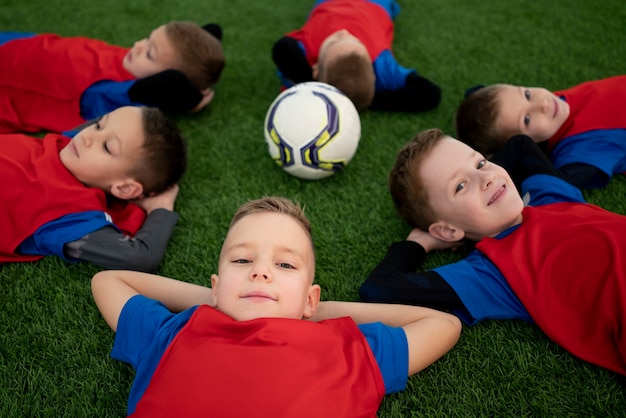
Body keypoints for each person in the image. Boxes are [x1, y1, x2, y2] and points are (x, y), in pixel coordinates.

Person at [91, 196, 461, 417]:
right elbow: (108, 280)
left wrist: (314, 310)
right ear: (215, 287)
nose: (261, 272)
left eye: (285, 265)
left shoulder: (348, 352)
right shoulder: (173, 334)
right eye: (242, 261)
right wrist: (220, 300)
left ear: (310, 298)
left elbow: (442, 324)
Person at [359, 128, 626, 376]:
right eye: (460, 186)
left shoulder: (550, 196)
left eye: (480, 163)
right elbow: (379, 288)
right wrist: (419, 243)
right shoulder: (491, 273)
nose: (485, 178)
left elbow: (520, 145)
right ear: (448, 231)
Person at [1, 105, 187, 272]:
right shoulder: (65, 146)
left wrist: (160, 208)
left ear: (125, 188)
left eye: (107, 147)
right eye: (99, 125)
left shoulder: (72, 215)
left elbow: (139, 257)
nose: (87, 135)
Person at [0, 21, 224, 134]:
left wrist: (187, 99)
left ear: (165, 80)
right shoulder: (131, 61)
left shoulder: (122, 94)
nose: (137, 45)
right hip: (24, 48)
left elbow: (107, 100)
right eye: (147, 39)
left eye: (149, 53)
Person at [454, 75, 626, 189]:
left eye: (527, 94)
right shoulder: (582, 148)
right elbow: (557, 185)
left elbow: (477, 91)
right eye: (527, 119)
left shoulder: (553, 107)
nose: (543, 104)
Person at [271, 0, 441, 112]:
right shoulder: (380, 64)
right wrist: (368, 98)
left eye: (334, 41)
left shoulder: (310, 47)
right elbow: (430, 94)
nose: (344, 32)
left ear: (315, 68)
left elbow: (282, 49)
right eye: (356, 42)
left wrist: (314, 86)